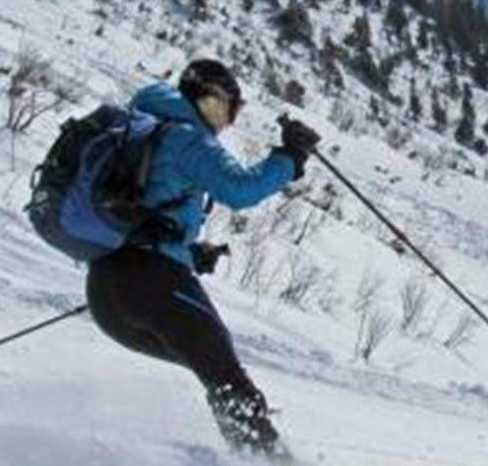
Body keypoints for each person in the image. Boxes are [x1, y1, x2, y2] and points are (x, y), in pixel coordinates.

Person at [85, 59, 320, 456]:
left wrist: (189, 254)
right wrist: (290, 157)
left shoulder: (142, 126)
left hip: (107, 293)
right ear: (208, 100)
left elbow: (145, 217)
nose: (225, 121)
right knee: (227, 378)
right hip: (153, 284)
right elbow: (240, 189)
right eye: (225, 109)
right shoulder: (186, 136)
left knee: (216, 372)